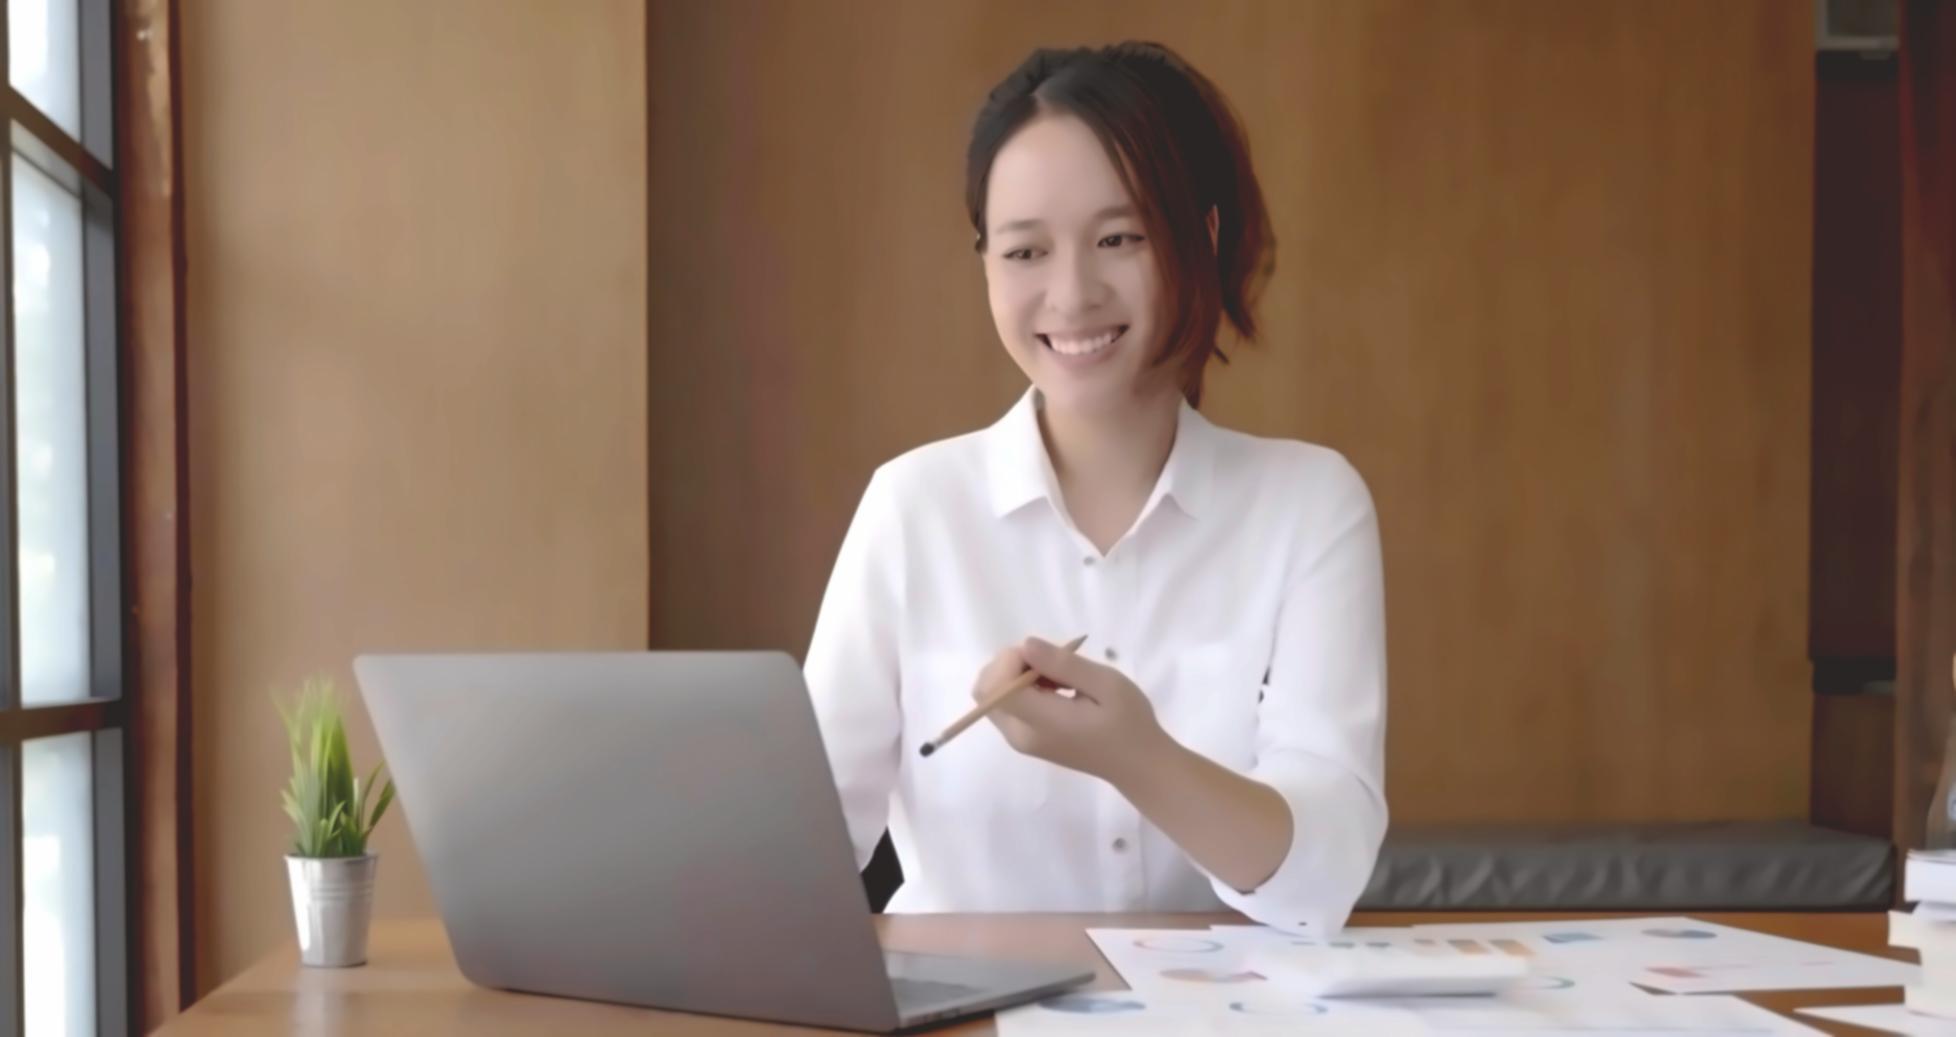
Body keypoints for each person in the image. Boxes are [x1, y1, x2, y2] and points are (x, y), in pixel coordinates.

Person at [803, 41, 1386, 933]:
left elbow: (1321, 879)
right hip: (971, 1015)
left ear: (1205, 237)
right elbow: (798, 851)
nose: (1070, 295)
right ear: (987, 265)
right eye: (1025, 251)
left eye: (1119, 239)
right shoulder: (913, 507)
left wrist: (1136, 756)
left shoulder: (1308, 506)